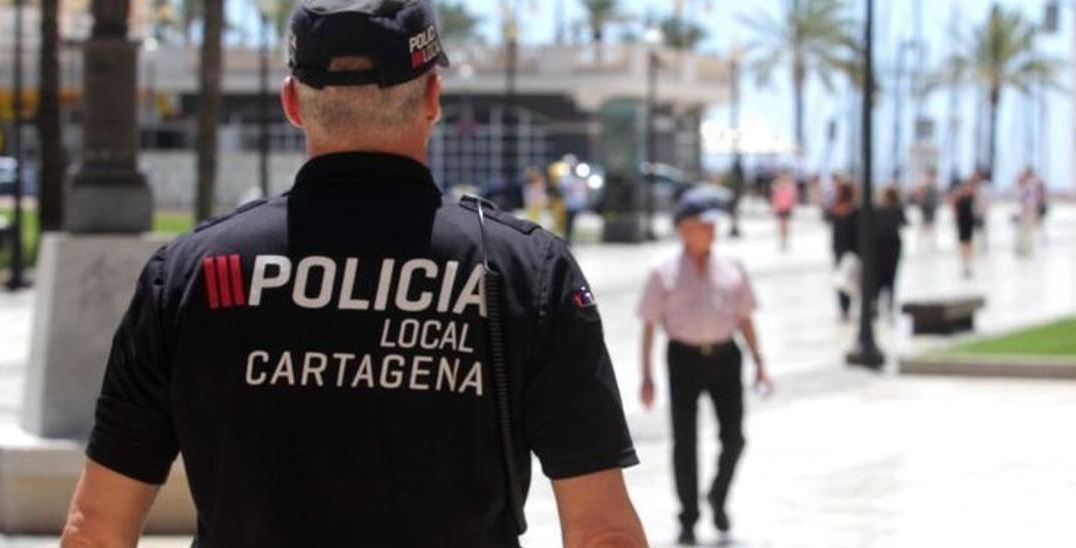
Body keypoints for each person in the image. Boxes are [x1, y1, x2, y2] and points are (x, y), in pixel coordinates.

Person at [60, 2, 647, 547]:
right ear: (432, 97)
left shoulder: (191, 274)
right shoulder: (525, 272)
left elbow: (96, 528)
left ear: (292, 102)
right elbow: (602, 531)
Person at [638, 193, 772, 545]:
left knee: (735, 437)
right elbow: (649, 325)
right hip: (683, 358)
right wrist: (647, 376)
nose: (712, 230)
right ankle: (688, 516)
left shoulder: (732, 265)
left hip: (726, 358)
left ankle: (718, 496)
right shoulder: (662, 270)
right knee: (685, 441)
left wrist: (760, 362)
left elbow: (745, 317)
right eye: (704, 224)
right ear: (685, 228)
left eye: (713, 224)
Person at [828, 181, 860, 321]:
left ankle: (845, 309)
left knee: (844, 279)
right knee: (845, 280)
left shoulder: (842, 210)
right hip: (847, 249)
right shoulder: (848, 210)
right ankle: (845, 309)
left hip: (843, 249)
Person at [873, 187, 907, 317]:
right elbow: (905, 222)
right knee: (888, 278)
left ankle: (881, 303)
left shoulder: (880, 210)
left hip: (884, 248)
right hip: (889, 248)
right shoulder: (895, 209)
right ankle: (886, 304)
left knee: (882, 278)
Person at [951, 173, 980, 278]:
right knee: (963, 244)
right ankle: (964, 264)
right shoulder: (959, 197)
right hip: (961, 223)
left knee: (969, 244)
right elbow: (953, 208)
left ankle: (968, 264)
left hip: (969, 223)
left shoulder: (972, 196)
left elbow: (976, 209)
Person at [770, 172, 798, 252]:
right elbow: (774, 198)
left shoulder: (790, 188)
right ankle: (782, 241)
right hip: (780, 208)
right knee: (781, 225)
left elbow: (793, 198)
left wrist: (792, 206)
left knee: (786, 225)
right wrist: (774, 206)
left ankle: (786, 240)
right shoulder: (777, 187)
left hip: (787, 208)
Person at [914, 168, 940, 247]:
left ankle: (930, 243)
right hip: (925, 207)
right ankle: (921, 243)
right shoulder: (924, 185)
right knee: (924, 225)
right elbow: (919, 196)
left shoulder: (934, 185)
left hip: (932, 207)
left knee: (931, 225)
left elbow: (936, 197)